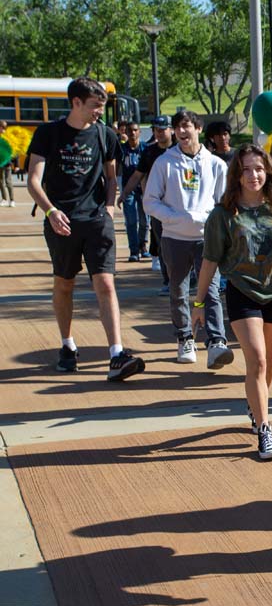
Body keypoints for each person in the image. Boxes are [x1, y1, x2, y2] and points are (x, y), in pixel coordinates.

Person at [194, 144, 272, 460]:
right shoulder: (223, 215)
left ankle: (256, 405)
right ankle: (264, 430)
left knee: (271, 362)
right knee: (258, 361)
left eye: (259, 169)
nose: (254, 175)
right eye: (247, 169)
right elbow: (209, 261)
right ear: (237, 174)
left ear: (268, 173)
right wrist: (198, 305)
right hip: (243, 292)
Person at [26, 77, 146, 380]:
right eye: (94, 106)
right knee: (64, 284)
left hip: (96, 221)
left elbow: (112, 177)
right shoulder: (48, 134)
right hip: (61, 222)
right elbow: (33, 181)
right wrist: (51, 211)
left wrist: (108, 210)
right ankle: (67, 345)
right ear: (76, 102)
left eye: (102, 106)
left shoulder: (105, 135)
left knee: (106, 283)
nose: (99, 112)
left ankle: (116, 354)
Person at [142, 110, 233, 369]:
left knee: (211, 290)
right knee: (178, 290)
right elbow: (150, 201)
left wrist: (208, 221)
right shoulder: (164, 163)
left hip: (206, 239)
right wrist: (174, 218)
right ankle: (184, 337)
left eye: (186, 126)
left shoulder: (215, 164)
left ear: (198, 129)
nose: (181, 132)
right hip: (174, 238)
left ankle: (216, 341)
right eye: (177, 127)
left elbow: (224, 202)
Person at [123, 115, 176, 290]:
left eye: (162, 130)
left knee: (184, 243)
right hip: (159, 206)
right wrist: (124, 193)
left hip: (181, 204)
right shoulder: (149, 152)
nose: (159, 133)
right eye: (156, 130)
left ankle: (187, 277)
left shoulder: (179, 149)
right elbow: (137, 175)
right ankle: (168, 280)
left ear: (171, 130)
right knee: (163, 244)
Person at [119, 121, 149, 261]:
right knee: (131, 220)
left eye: (135, 130)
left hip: (144, 189)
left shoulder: (145, 149)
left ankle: (143, 245)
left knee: (145, 220)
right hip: (128, 188)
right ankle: (134, 250)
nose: (132, 133)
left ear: (139, 132)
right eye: (129, 130)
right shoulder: (122, 149)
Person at [0, 120, 16, 207]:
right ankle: (4, 199)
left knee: (8, 181)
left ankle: (12, 200)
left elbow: (14, 150)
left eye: (3, 128)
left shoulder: (8, 137)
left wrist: (16, 164)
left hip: (7, 162)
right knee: (1, 181)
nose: (2, 129)